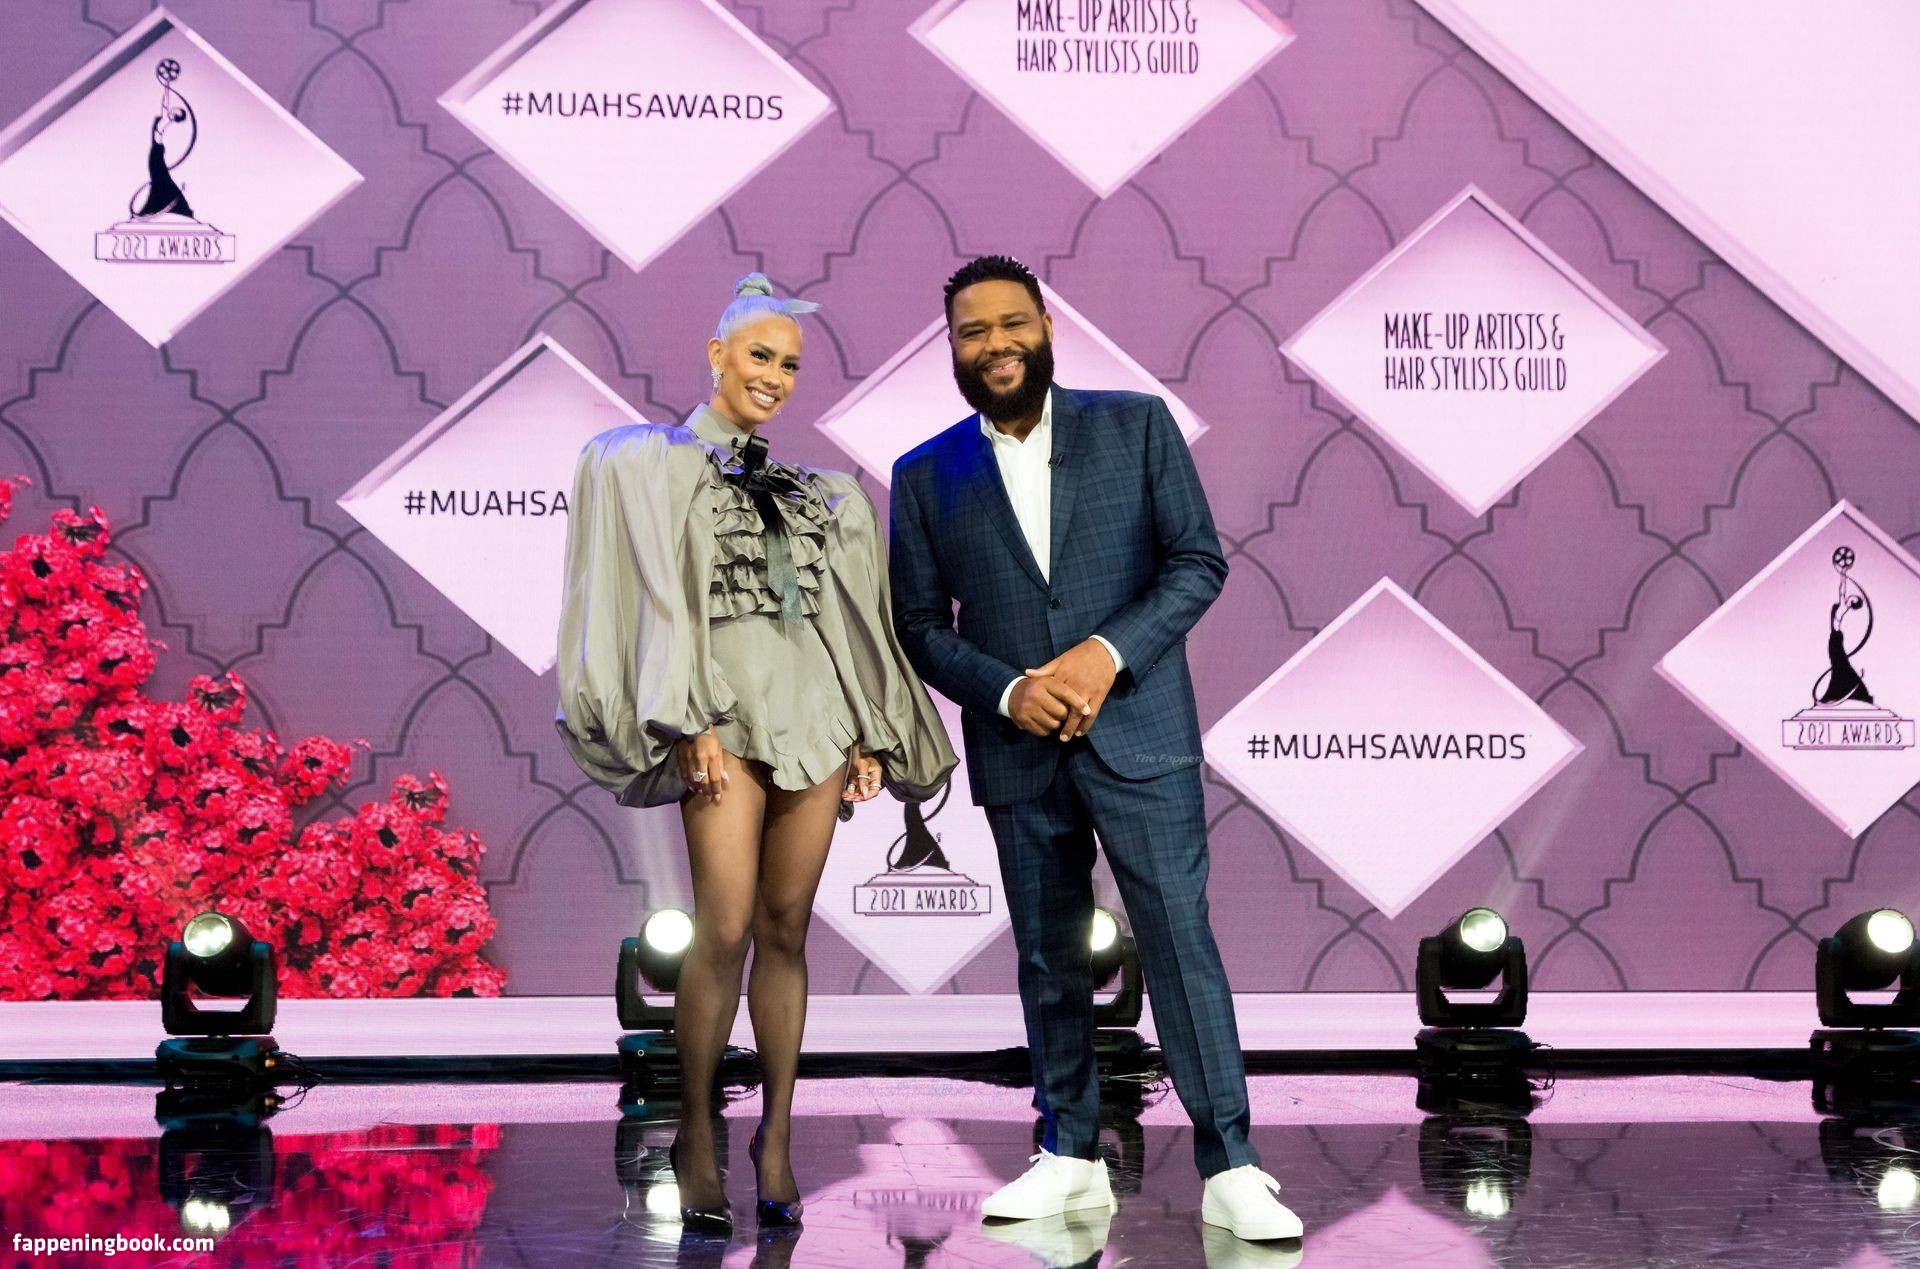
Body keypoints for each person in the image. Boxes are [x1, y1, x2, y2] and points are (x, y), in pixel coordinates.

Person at [888, 256, 1302, 1244]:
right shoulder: (924, 473)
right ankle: (1069, 1153)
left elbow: (1196, 562)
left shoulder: (1136, 426)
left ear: (1047, 328)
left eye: (1012, 324)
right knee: (1047, 956)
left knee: (1179, 940)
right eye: (973, 331)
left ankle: (1231, 1163)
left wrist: (1102, 656)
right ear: (951, 348)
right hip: (1018, 746)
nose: (995, 344)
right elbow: (920, 624)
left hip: (1139, 734)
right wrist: (1010, 689)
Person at [556, 274, 956, 1235]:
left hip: (815, 715)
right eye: (760, 355)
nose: (774, 375)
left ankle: (775, 1136)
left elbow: (844, 620)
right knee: (725, 923)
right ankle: (698, 1129)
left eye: (790, 364)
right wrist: (686, 714)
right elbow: (660, 604)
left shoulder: (822, 495)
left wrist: (867, 730)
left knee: (786, 927)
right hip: (720, 716)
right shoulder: (654, 465)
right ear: (718, 355)